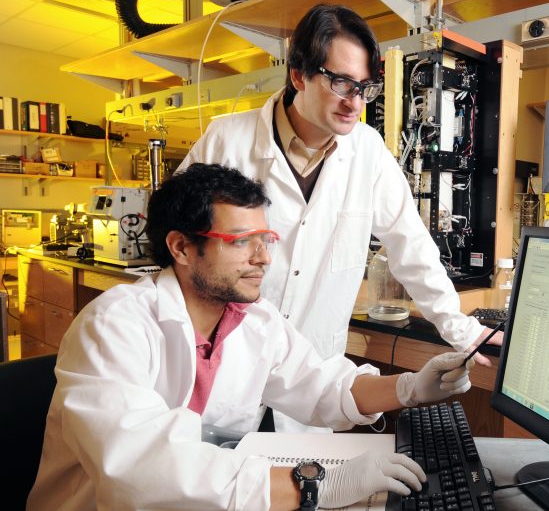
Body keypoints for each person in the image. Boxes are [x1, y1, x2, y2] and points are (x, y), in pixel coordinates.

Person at [27, 163, 474, 510]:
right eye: (241, 241)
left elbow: (322, 386)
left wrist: (409, 388)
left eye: (266, 239)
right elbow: (136, 471)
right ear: (181, 247)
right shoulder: (114, 325)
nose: (264, 258)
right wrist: (314, 484)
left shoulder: (253, 319)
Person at [181, 4, 501, 433]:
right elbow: (175, 238)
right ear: (299, 76)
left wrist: (459, 327)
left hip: (313, 377)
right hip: (223, 371)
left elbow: (410, 245)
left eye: (365, 87)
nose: (355, 103)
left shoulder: (367, 151)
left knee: (304, 472)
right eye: (341, 83)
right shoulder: (226, 140)